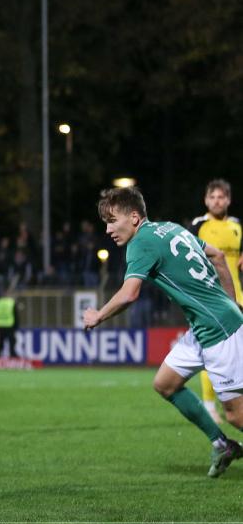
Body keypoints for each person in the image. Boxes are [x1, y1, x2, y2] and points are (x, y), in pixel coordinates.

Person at [83, 186, 243, 477]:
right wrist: (230, 304)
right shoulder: (169, 228)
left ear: (133, 217)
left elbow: (129, 294)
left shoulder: (140, 242)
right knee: (165, 383)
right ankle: (221, 444)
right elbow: (218, 256)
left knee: (235, 414)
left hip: (218, 331)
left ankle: (224, 438)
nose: (107, 229)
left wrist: (98, 315)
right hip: (208, 325)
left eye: (112, 220)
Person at [191, 179, 243, 424]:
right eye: (212, 197)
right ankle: (210, 405)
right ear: (205, 200)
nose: (217, 201)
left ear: (229, 200)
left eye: (221, 197)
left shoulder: (237, 226)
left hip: (238, 296)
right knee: (211, 351)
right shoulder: (198, 226)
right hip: (212, 298)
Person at [0, 288, 19, 357]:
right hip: (9, 325)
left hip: (0, 325)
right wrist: (16, 326)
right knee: (12, 341)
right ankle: (12, 355)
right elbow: (15, 315)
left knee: (0, 342)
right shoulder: (11, 302)